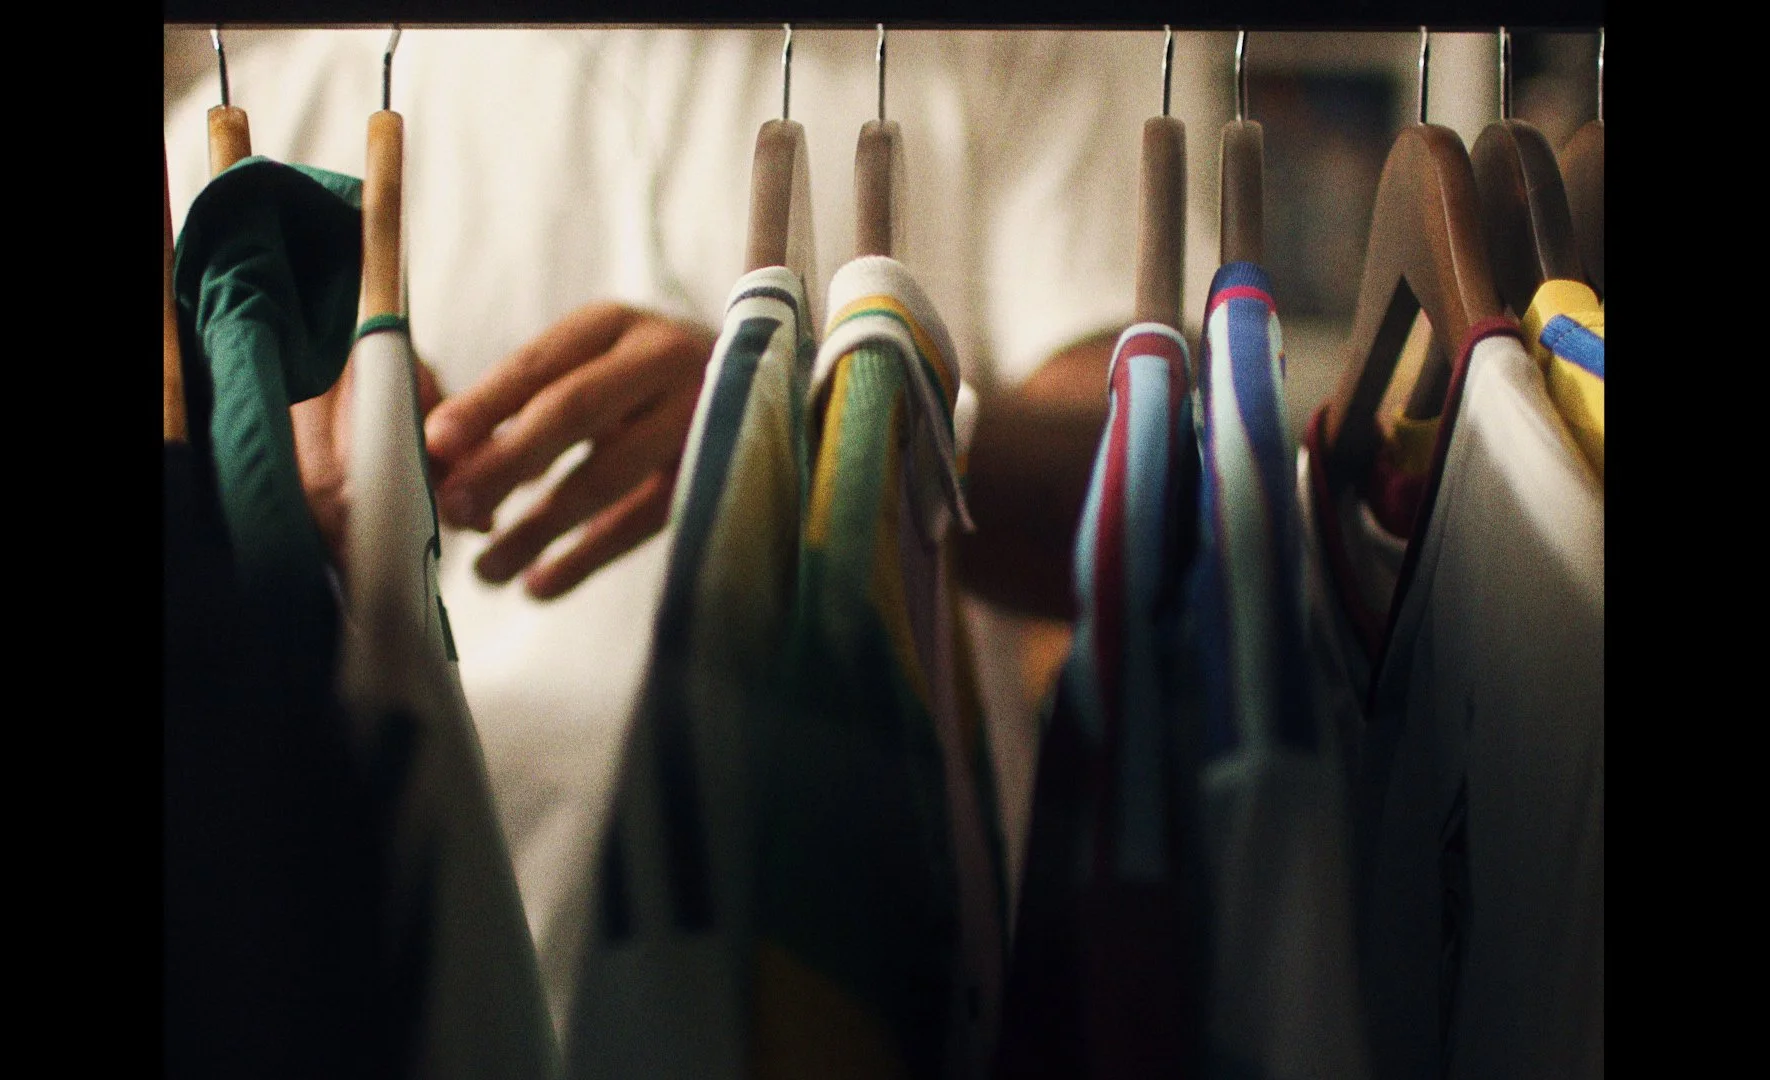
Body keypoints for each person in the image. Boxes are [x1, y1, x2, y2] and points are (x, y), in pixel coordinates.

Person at [164, 24, 1232, 1040]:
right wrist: (247, 493)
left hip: (845, 949)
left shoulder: (1015, 44)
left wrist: (810, 422)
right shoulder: (257, 118)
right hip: (381, 960)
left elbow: (1156, 497)